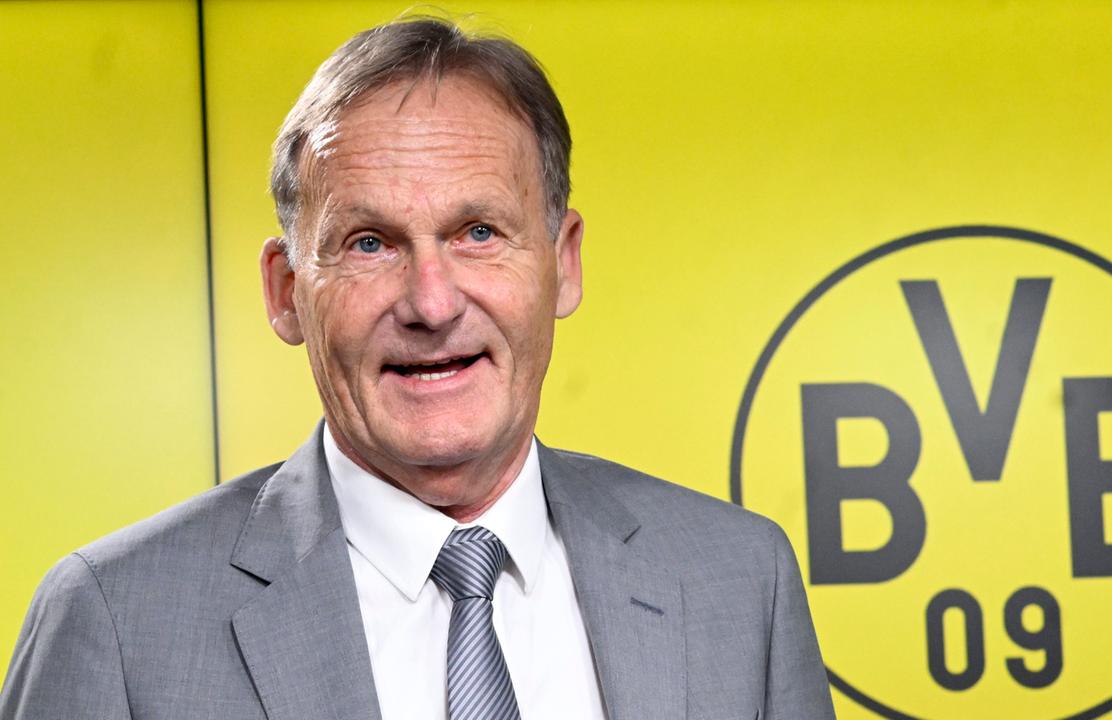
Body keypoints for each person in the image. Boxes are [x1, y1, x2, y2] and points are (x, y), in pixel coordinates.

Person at [0, 16, 834, 720]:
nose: (432, 304)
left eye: (479, 233)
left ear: (564, 262)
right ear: (286, 292)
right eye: (370, 243)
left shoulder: (740, 582)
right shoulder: (114, 622)